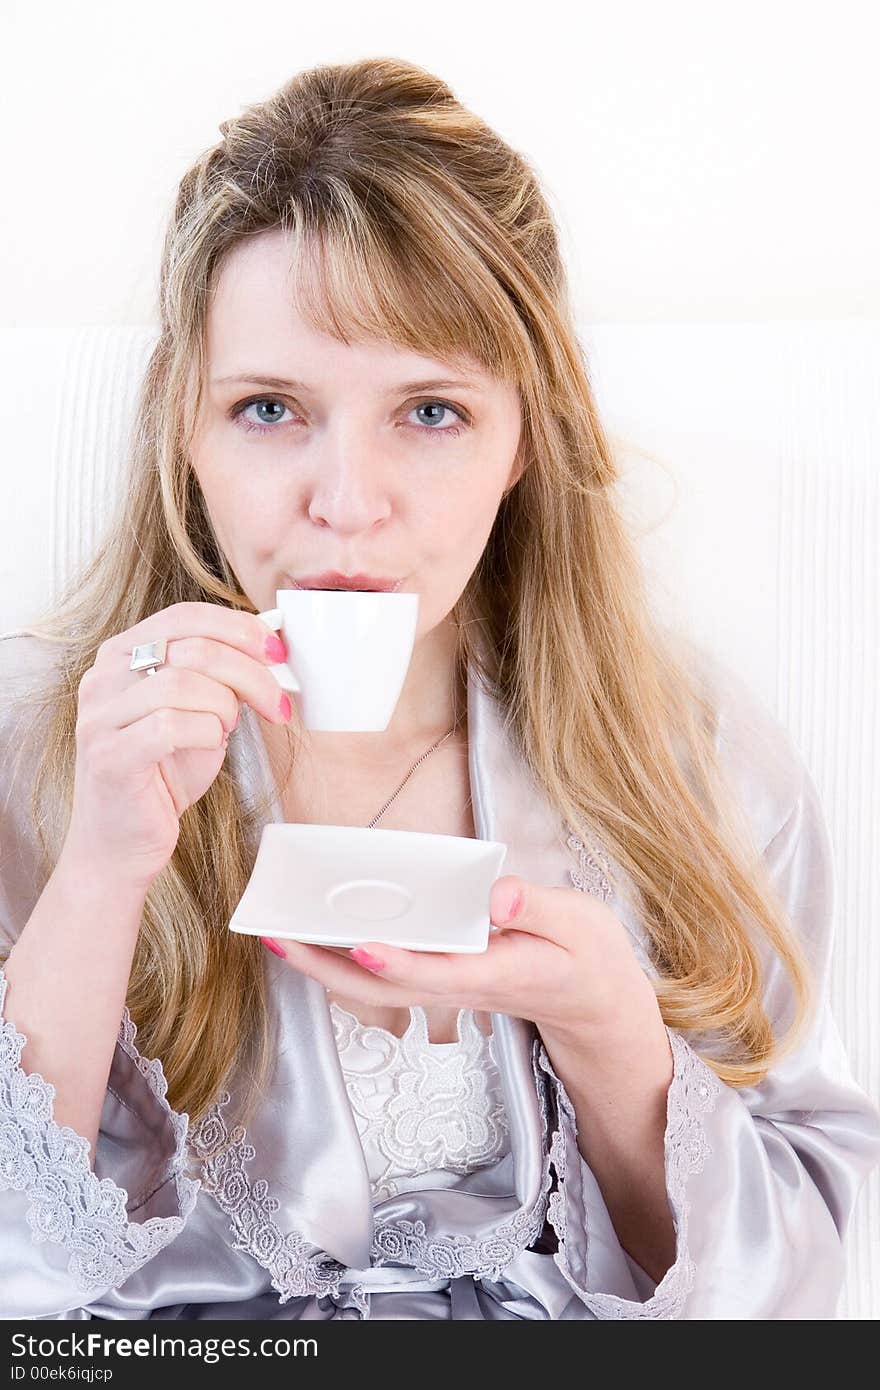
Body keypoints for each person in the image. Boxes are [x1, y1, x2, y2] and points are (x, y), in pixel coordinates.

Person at [1, 55, 878, 1323]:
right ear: (180, 429)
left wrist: (607, 1033)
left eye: (428, 411)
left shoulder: (686, 755)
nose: (346, 503)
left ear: (526, 434)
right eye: (267, 408)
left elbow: (785, 1284)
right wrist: (99, 874)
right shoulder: (47, 748)